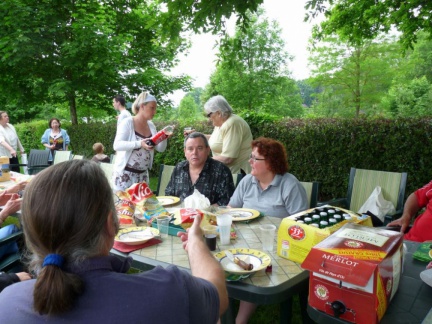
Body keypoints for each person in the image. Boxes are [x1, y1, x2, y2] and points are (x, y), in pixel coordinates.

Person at [0, 160, 227, 322]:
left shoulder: (8, 303)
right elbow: (217, 295)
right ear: (111, 224)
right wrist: (197, 244)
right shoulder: (170, 292)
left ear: (31, 234)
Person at [228, 137, 308, 324]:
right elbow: (231, 209)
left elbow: (300, 225)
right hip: (242, 240)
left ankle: (240, 320)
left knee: (252, 268)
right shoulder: (248, 181)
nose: (250, 161)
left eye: (255, 158)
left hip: (275, 246)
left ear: (271, 162)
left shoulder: (289, 185)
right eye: (251, 157)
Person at [113, 91, 168, 192]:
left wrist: (164, 136)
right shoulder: (128, 122)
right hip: (125, 176)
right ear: (142, 106)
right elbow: (117, 145)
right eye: (152, 108)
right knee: (124, 207)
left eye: (155, 108)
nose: (154, 112)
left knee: (142, 207)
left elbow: (160, 149)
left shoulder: (151, 125)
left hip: (142, 176)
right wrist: (139, 143)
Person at [165, 132, 235, 205]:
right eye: (190, 149)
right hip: (180, 214)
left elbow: (228, 200)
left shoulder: (221, 170)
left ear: (207, 150)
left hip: (211, 214)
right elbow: (169, 195)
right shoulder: (179, 168)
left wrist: (206, 211)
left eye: (199, 148)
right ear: (185, 151)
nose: (194, 153)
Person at [203, 95, 253, 174]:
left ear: (218, 113)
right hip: (226, 173)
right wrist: (196, 136)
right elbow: (216, 140)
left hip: (238, 174)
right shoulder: (221, 123)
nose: (209, 118)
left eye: (209, 115)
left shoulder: (232, 124)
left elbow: (228, 158)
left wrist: (203, 160)